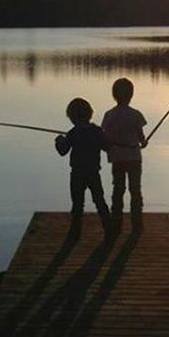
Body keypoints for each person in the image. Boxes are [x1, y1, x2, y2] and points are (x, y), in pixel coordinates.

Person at [54, 97, 112, 236]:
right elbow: (107, 147)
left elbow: (63, 151)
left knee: (77, 203)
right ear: (89, 114)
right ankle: (109, 228)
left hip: (77, 173)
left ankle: (75, 230)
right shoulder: (97, 131)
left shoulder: (73, 133)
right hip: (93, 172)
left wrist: (59, 140)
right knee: (99, 200)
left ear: (72, 117)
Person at [101, 77, 147, 229]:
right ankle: (137, 220)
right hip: (134, 157)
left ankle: (117, 219)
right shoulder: (136, 114)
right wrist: (144, 142)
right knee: (135, 188)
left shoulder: (109, 115)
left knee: (118, 188)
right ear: (131, 95)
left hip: (117, 157)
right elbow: (141, 137)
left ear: (114, 95)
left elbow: (105, 137)